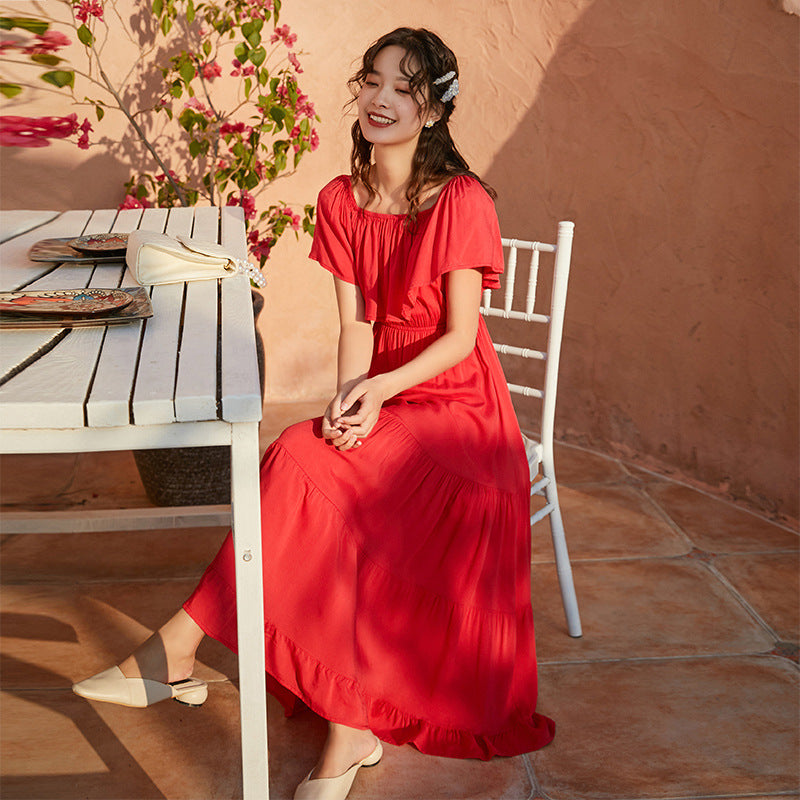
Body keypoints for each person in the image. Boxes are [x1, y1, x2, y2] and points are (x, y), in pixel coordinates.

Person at [73, 26, 555, 800]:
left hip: (458, 408)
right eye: (372, 82)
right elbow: (358, 327)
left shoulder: (461, 200)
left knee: (312, 467)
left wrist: (378, 398)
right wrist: (345, 402)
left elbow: (461, 339)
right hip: (386, 391)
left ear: (433, 109)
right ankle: (339, 722)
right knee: (306, 452)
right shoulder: (341, 198)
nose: (381, 99)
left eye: (404, 88)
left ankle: (194, 656)